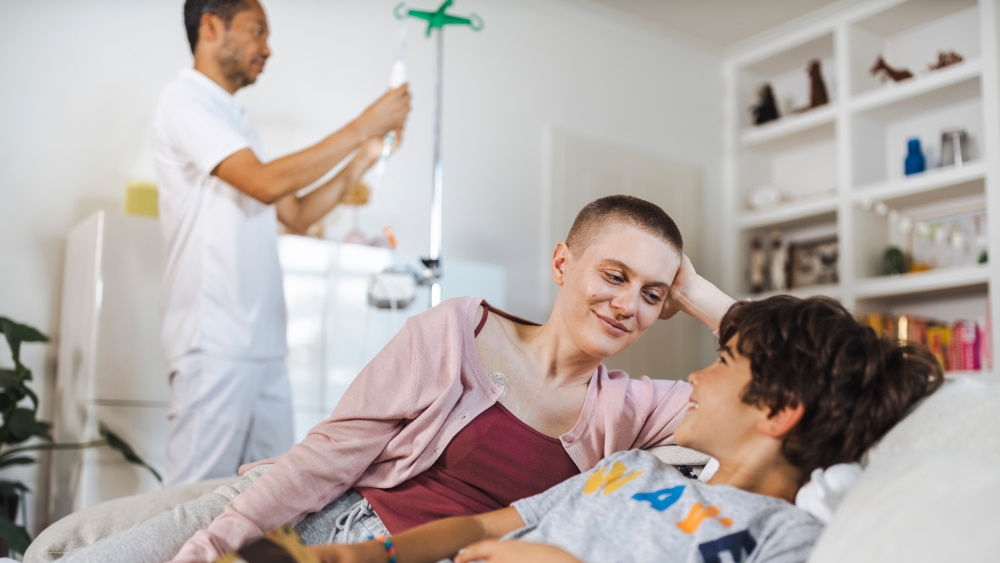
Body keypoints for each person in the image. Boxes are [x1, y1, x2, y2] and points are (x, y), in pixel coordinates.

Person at [60, 194, 734, 562]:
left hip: (406, 557)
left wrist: (699, 293)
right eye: (614, 275)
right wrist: (213, 546)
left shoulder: (634, 407)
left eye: (652, 294)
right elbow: (330, 455)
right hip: (314, 518)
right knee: (77, 552)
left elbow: (788, 376)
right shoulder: (458, 330)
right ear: (563, 263)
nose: (627, 304)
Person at [307, 295, 944, 563]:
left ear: (778, 411)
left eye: (723, 363)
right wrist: (364, 554)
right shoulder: (631, 468)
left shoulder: (786, 536)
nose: (694, 376)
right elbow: (479, 527)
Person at [155, 0, 411, 487]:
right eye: (257, 31)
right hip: (215, 339)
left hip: (263, 343)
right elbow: (265, 183)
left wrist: (361, 158)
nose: (267, 49)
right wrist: (365, 123)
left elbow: (297, 214)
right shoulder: (185, 100)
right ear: (210, 27)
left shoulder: (235, 122)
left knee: (270, 495)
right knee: (189, 502)